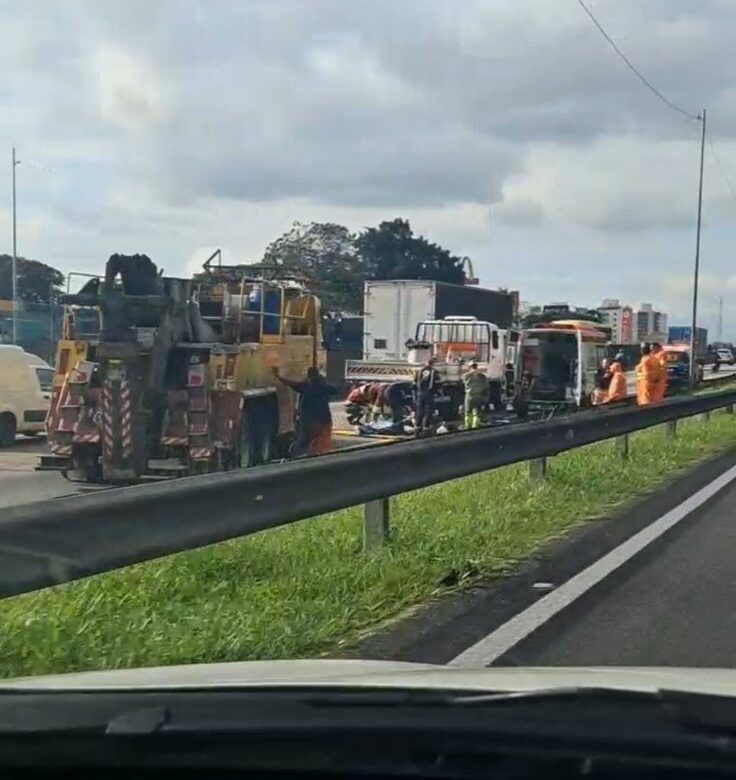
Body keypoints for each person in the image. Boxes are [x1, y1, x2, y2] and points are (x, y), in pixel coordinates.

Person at [273, 366, 336, 455]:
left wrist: (278, 377)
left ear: (309, 376)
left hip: (309, 420)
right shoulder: (323, 386)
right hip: (323, 420)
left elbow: (292, 384)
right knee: (322, 442)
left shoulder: (306, 386)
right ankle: (320, 455)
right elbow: (335, 390)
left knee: (304, 440)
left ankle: (299, 455)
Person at [413, 357, 440, 434]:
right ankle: (426, 428)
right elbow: (438, 383)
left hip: (420, 393)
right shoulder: (434, 372)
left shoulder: (419, 371)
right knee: (428, 411)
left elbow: (414, 384)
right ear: (433, 363)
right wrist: (438, 392)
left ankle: (417, 428)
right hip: (429, 394)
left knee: (420, 411)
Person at [463, 362, 489, 429]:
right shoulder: (482, 376)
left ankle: (468, 425)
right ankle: (475, 425)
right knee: (477, 412)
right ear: (476, 367)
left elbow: (464, 383)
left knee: (468, 412)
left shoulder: (466, 375)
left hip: (469, 395)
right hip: (479, 395)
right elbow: (486, 386)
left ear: (470, 367)